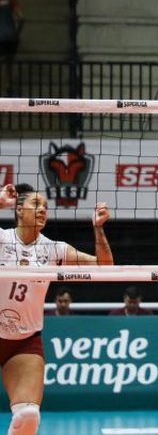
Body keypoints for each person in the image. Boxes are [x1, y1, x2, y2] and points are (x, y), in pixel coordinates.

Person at [0, 182, 113, 434]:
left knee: (28, 416)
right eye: (36, 204)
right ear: (19, 210)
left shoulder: (53, 249)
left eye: (46, 207)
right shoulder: (1, 239)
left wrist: (98, 229)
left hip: (24, 341)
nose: (42, 210)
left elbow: (105, 268)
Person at [0, 0, 24, 97]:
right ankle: (8, 87)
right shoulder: (11, 1)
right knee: (9, 64)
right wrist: (17, 33)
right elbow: (21, 18)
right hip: (11, 37)